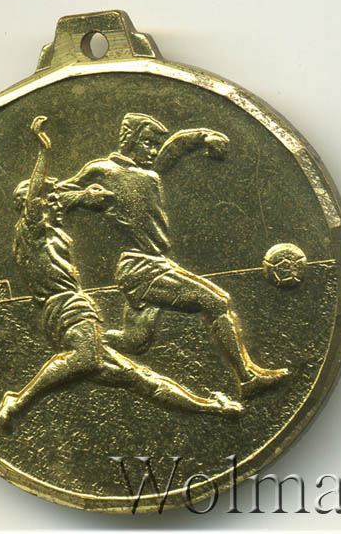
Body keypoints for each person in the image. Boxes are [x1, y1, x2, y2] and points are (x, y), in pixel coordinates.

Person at [0, 116, 243, 433]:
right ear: (33, 203)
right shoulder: (33, 228)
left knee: (141, 379)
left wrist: (84, 198)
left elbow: (62, 196)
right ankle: (18, 401)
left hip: (65, 312)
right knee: (85, 359)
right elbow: (38, 196)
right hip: (67, 307)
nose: (57, 201)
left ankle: (214, 408)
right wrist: (44, 149)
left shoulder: (46, 231)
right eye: (49, 197)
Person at [56, 113, 289, 398]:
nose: (153, 151)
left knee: (134, 341)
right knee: (217, 302)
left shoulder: (148, 172)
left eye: (155, 145)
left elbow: (173, 148)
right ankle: (247, 378)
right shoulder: (102, 170)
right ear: (129, 140)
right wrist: (83, 197)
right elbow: (54, 196)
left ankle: (83, 347)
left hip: (153, 264)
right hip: (142, 267)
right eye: (147, 143)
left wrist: (203, 137)